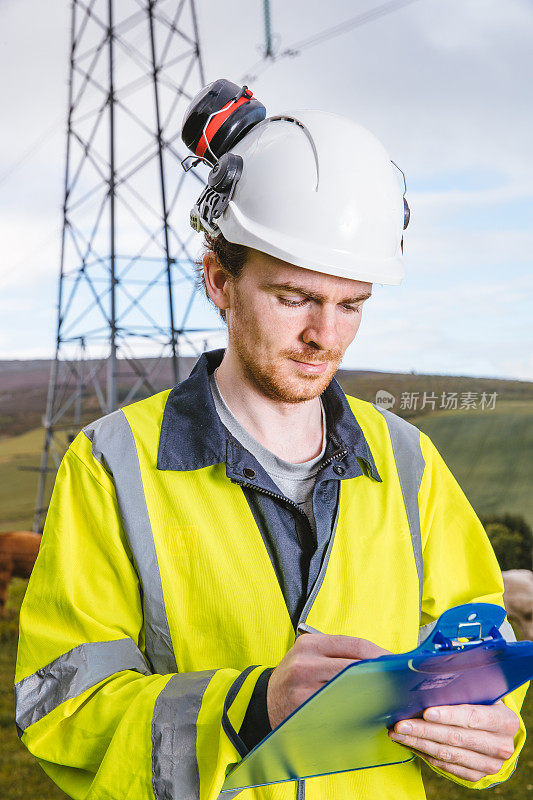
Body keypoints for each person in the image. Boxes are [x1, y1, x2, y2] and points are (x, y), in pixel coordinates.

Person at [15, 81, 527, 800]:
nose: (325, 336)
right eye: (294, 298)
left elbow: (478, 652)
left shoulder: (408, 461)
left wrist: (490, 731)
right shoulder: (110, 464)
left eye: (352, 305)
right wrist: (249, 709)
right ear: (219, 280)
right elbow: (61, 705)